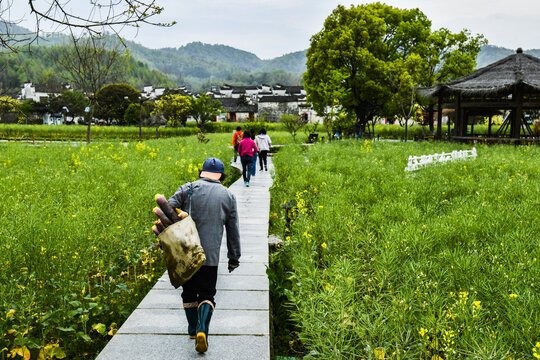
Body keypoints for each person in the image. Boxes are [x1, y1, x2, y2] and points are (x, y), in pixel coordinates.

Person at [168, 157, 241, 353]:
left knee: (189, 292)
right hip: (210, 256)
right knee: (207, 293)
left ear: (201, 172)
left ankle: (192, 329)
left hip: (187, 252)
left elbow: (168, 208)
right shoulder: (228, 196)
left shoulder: (188, 188)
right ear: (221, 176)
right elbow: (233, 230)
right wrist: (234, 257)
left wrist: (182, 216)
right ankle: (203, 329)